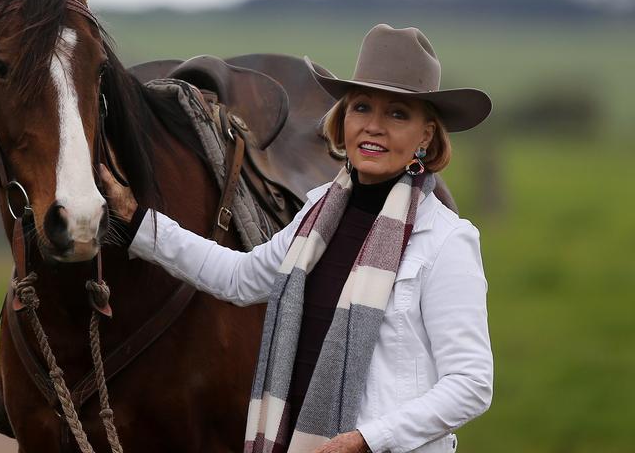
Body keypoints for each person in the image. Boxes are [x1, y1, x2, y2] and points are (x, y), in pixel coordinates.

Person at [101, 24, 494, 453]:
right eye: (362, 108)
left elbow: (471, 384)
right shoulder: (319, 212)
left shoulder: (445, 239)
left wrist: (368, 440)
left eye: (398, 114)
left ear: (426, 135)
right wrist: (138, 220)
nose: (374, 127)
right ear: (343, 120)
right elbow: (240, 277)